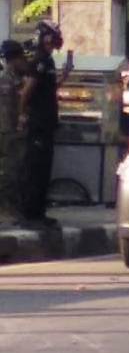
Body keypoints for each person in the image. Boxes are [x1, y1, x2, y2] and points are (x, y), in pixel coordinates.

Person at [19, 20, 73, 227]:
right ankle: (31, 215)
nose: (54, 42)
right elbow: (27, 91)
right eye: (51, 37)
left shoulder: (48, 62)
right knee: (35, 169)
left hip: (47, 123)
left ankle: (39, 212)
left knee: (44, 170)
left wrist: (65, 75)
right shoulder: (39, 61)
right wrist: (22, 115)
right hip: (38, 124)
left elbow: (49, 88)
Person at [0, 40, 27, 225]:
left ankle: (11, 210)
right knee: (8, 174)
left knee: (14, 172)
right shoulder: (5, 78)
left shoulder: (15, 78)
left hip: (11, 132)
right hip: (6, 132)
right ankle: (5, 211)